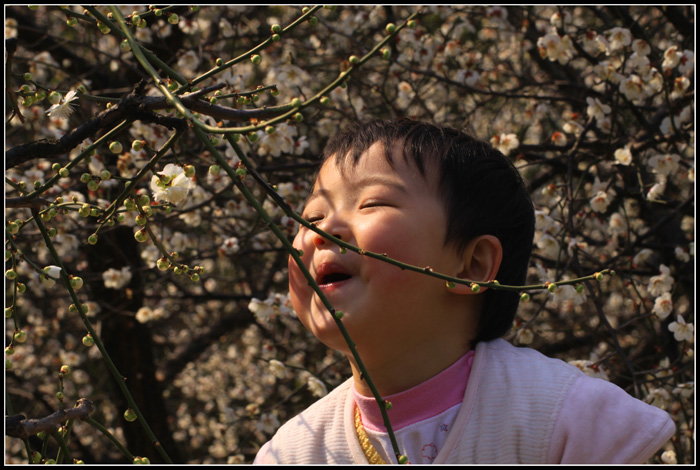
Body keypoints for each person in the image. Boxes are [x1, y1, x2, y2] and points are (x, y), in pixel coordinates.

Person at [253, 119, 675, 464]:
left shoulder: (565, 419)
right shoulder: (294, 453)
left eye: (371, 203)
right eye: (310, 216)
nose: (322, 232)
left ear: (471, 266)